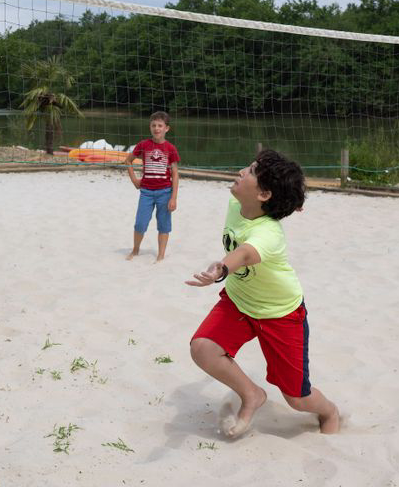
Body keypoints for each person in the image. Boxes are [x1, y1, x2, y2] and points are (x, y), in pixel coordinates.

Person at [186, 149, 340, 437]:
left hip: (280, 313)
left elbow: (243, 254)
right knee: (203, 348)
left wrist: (220, 269)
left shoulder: (270, 234)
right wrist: (292, 199)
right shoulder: (238, 204)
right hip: (240, 302)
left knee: (297, 398)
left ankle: (330, 411)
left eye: (252, 171)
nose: (243, 171)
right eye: (250, 166)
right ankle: (252, 395)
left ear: (264, 195)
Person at [124, 111, 180, 262]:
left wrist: (173, 198)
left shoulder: (171, 148)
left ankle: (160, 256)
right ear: (150, 127)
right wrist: (135, 180)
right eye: (154, 125)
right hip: (146, 192)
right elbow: (128, 161)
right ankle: (135, 250)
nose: (156, 128)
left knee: (163, 225)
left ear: (166, 128)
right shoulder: (143, 145)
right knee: (140, 223)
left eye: (160, 126)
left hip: (165, 192)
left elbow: (175, 174)